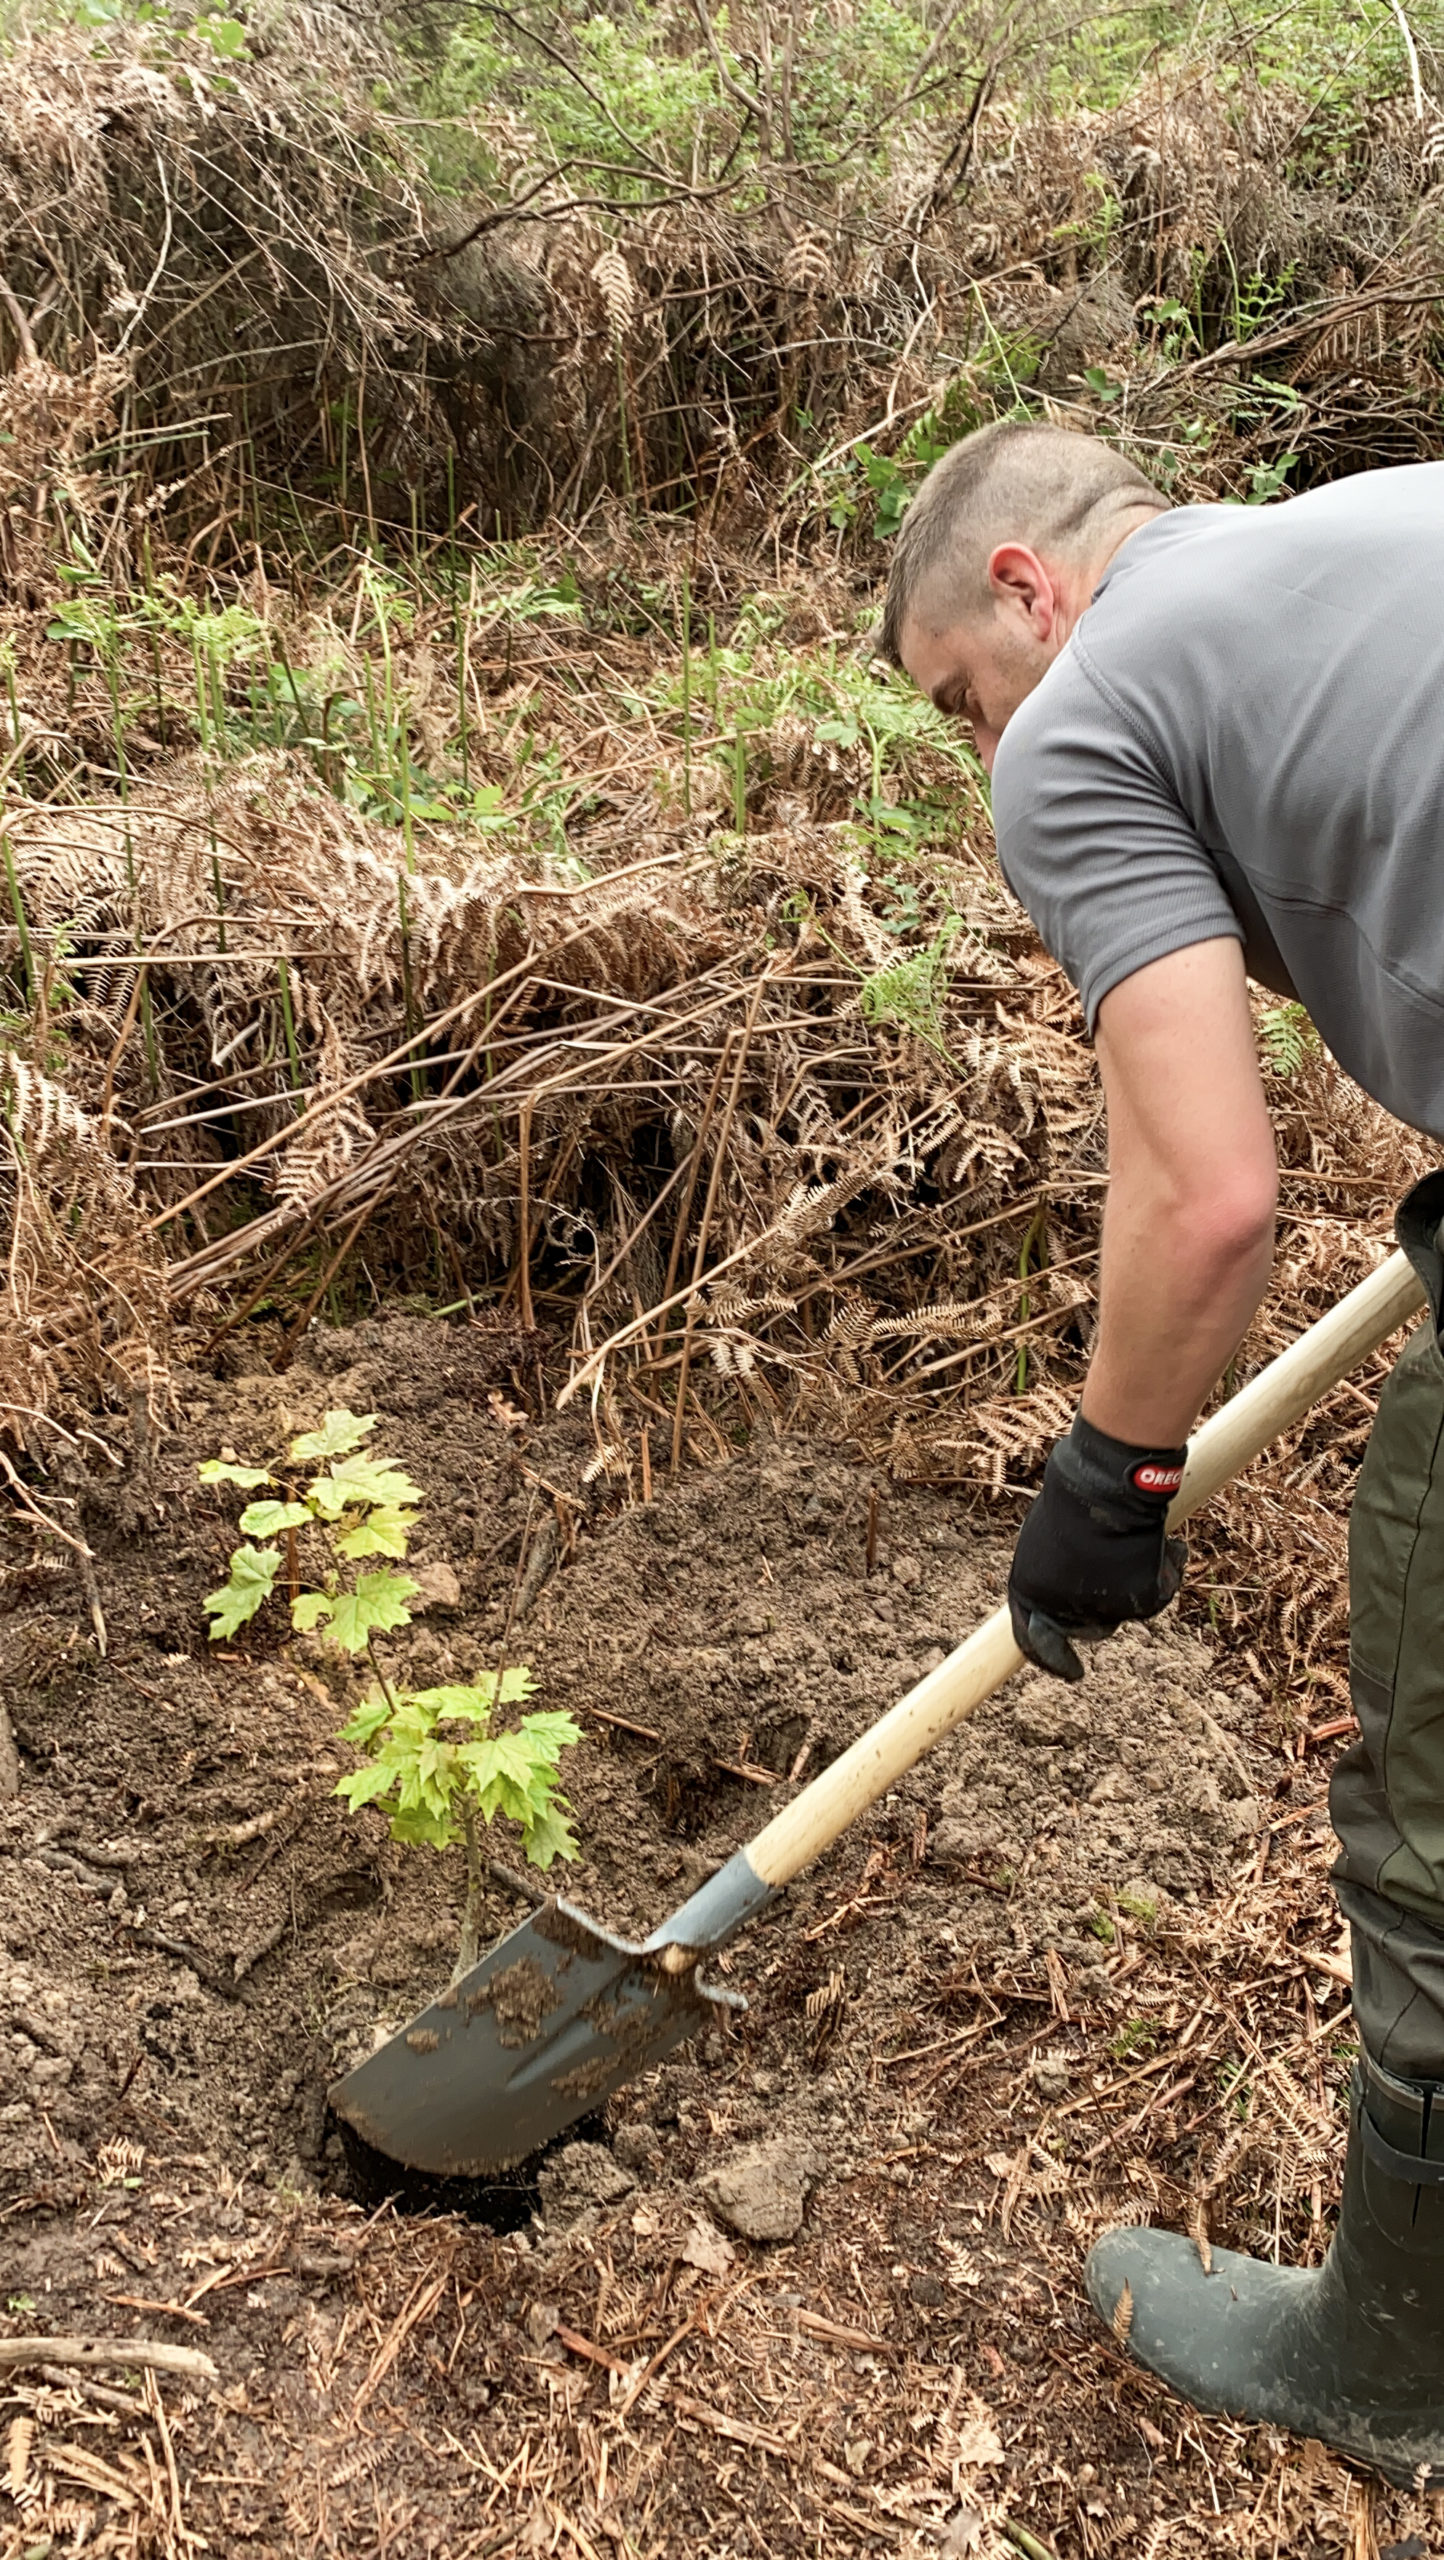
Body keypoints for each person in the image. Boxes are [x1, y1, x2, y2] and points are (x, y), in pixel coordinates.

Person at [880, 421, 1444, 2487]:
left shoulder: (1085, 711)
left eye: (959, 699)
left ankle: (1390, 2357)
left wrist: (1107, 1469)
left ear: (1025, 582)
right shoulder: (1376, 523)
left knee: (1434, 1805)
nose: (979, 755)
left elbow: (1208, 1190)